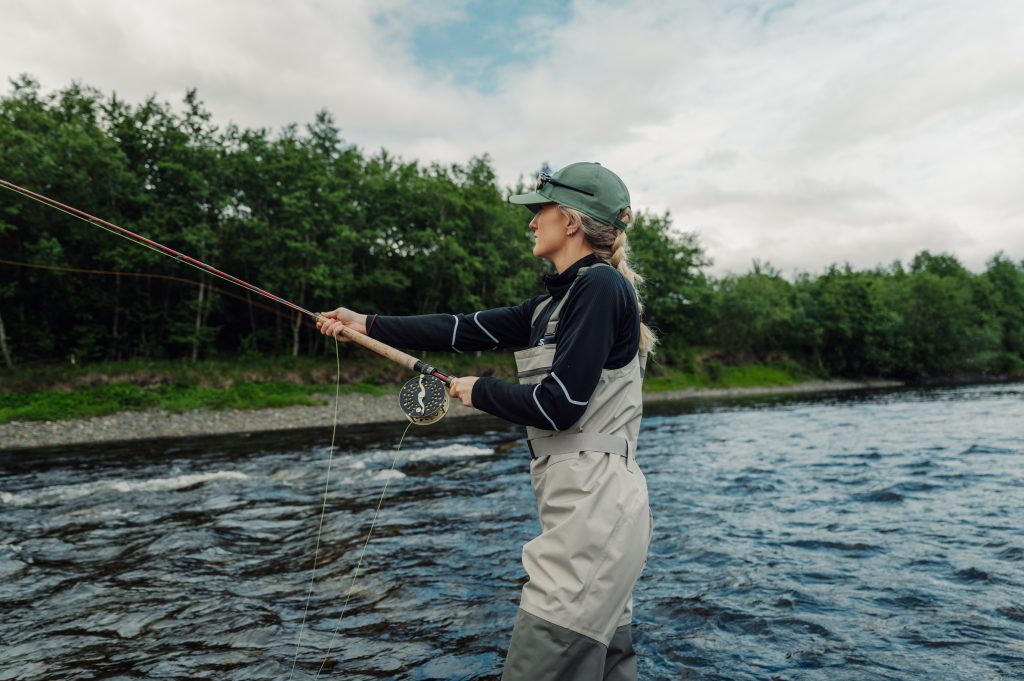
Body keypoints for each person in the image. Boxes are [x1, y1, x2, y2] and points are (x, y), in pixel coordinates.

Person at [316, 162, 655, 681]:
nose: (530, 221)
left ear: (571, 221)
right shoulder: (551, 305)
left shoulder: (601, 287)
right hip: (587, 511)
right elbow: (459, 329)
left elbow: (559, 405)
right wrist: (364, 323)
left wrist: (482, 391)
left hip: (597, 513)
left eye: (538, 210)